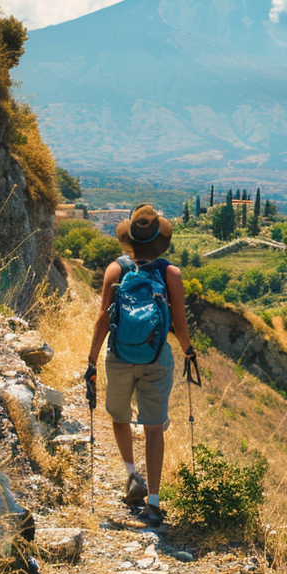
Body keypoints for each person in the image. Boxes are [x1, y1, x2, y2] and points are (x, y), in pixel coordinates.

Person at [83, 204, 196, 525]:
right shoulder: (170, 273)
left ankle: (132, 475)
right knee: (154, 426)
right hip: (156, 357)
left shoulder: (115, 270)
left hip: (119, 355)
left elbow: (103, 318)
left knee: (119, 416)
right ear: (160, 241)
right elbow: (179, 323)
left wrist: (91, 360)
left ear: (129, 239)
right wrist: (188, 352)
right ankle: (154, 502)